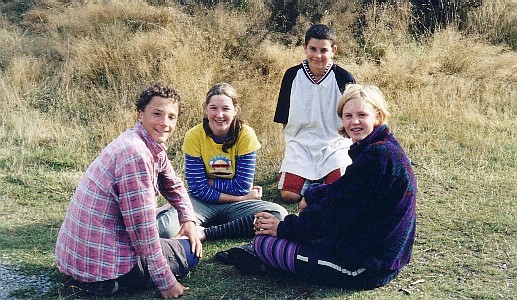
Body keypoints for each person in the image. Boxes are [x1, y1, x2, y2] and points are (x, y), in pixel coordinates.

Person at [226, 84, 417, 290]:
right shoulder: (382, 147)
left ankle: (268, 264)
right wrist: (311, 194)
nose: (354, 121)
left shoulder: (377, 156)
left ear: (378, 116)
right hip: (380, 252)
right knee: (296, 232)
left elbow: (334, 215)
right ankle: (278, 258)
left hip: (366, 267)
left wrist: (283, 228)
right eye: (348, 115)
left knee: (263, 244)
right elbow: (345, 190)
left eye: (362, 114)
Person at [55, 81, 202, 299]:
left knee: (178, 229)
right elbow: (142, 230)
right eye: (157, 114)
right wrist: (166, 282)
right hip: (101, 268)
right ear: (140, 114)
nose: (165, 123)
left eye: (171, 117)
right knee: (191, 252)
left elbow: (173, 183)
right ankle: (112, 283)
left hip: (77, 258)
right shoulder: (136, 154)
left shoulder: (143, 141)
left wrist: (188, 220)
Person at [157, 82, 288, 242]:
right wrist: (242, 198)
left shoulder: (245, 134)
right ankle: (225, 223)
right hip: (201, 203)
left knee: (278, 215)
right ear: (206, 109)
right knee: (164, 229)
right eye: (213, 108)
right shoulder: (194, 136)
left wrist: (210, 182)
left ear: (235, 110)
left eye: (225, 109)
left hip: (234, 206)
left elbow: (242, 186)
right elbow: (197, 189)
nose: (219, 115)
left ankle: (207, 232)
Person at [274, 23, 356, 203]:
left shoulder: (344, 78)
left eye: (324, 50)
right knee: (289, 196)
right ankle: (303, 176)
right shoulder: (291, 75)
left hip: (334, 144)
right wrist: (293, 145)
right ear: (304, 48)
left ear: (334, 50)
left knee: (338, 190)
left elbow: (353, 118)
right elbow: (284, 119)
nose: (317, 56)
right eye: (312, 49)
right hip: (301, 144)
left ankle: (318, 181)